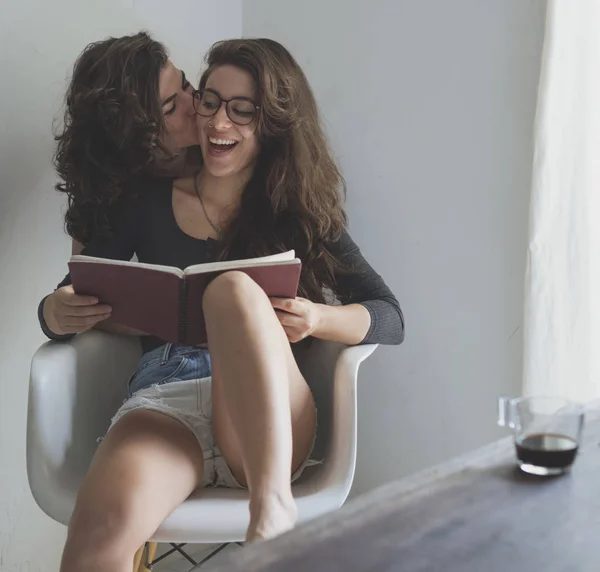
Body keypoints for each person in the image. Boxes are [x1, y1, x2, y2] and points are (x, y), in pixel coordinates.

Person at [40, 38, 405, 572]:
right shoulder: (142, 201)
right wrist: (52, 313)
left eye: (242, 110)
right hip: (166, 396)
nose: (217, 122)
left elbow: (389, 315)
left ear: (274, 123)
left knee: (233, 290)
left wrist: (319, 318)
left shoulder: (295, 208)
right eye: (209, 101)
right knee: (96, 537)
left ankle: (272, 510)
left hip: (267, 417)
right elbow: (78, 293)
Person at [54, 31, 199, 255]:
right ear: (130, 130)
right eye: (170, 108)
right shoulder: (108, 190)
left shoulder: (223, 156)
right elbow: (84, 279)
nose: (193, 104)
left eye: (186, 84)